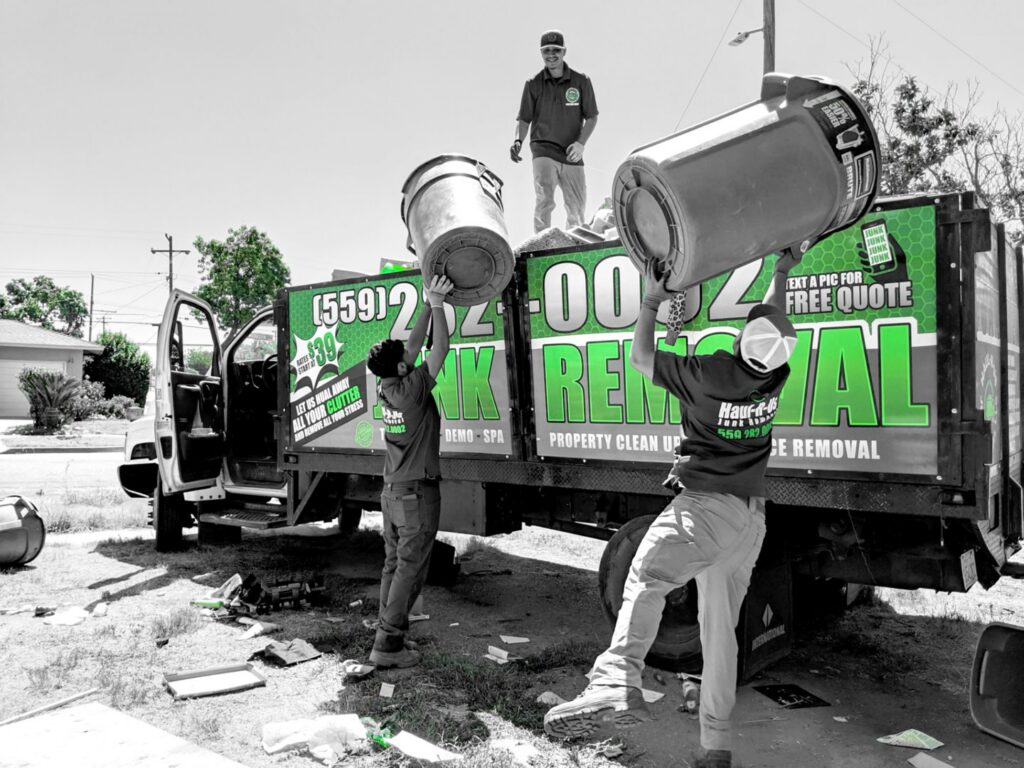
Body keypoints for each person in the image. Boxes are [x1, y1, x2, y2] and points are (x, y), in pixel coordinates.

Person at [544, 252, 802, 768]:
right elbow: (771, 329)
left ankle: (616, 678)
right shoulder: (776, 376)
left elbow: (641, 359)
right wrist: (780, 272)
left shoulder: (709, 374)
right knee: (718, 635)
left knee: (646, 572)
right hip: (750, 520)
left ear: (741, 341)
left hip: (706, 508)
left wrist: (651, 301)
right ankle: (715, 746)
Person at [365, 274, 454, 669]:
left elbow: (415, 347)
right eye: (407, 357)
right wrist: (438, 306)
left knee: (393, 565)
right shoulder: (413, 389)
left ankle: (387, 633)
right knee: (410, 570)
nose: (412, 355)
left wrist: (428, 299)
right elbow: (440, 349)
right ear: (403, 367)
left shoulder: (388, 386)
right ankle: (388, 647)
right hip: (416, 495)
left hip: (393, 492)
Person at [511, 29, 599, 233]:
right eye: (546, 50)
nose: (551, 54)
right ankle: (542, 241)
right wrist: (518, 141)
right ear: (541, 53)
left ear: (564, 51)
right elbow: (524, 119)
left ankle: (576, 240)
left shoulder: (581, 81)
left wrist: (581, 143)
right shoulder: (533, 84)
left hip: (572, 153)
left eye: (556, 50)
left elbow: (592, 117)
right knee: (545, 199)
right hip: (543, 149)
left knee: (576, 207)